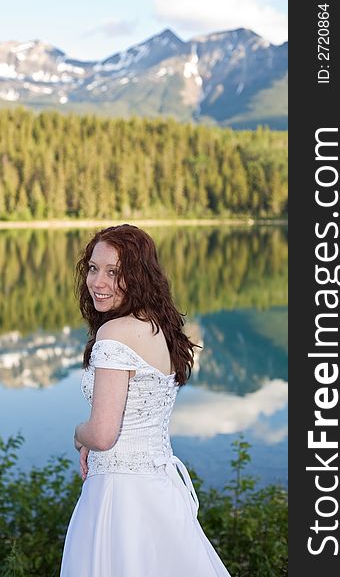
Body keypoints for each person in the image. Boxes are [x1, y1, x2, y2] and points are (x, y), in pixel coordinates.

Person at [60, 224, 231, 577]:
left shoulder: (113, 333)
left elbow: (103, 433)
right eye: (93, 269)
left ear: (138, 276)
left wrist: (79, 435)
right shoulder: (158, 328)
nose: (98, 282)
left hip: (120, 498)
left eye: (114, 272)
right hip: (160, 491)